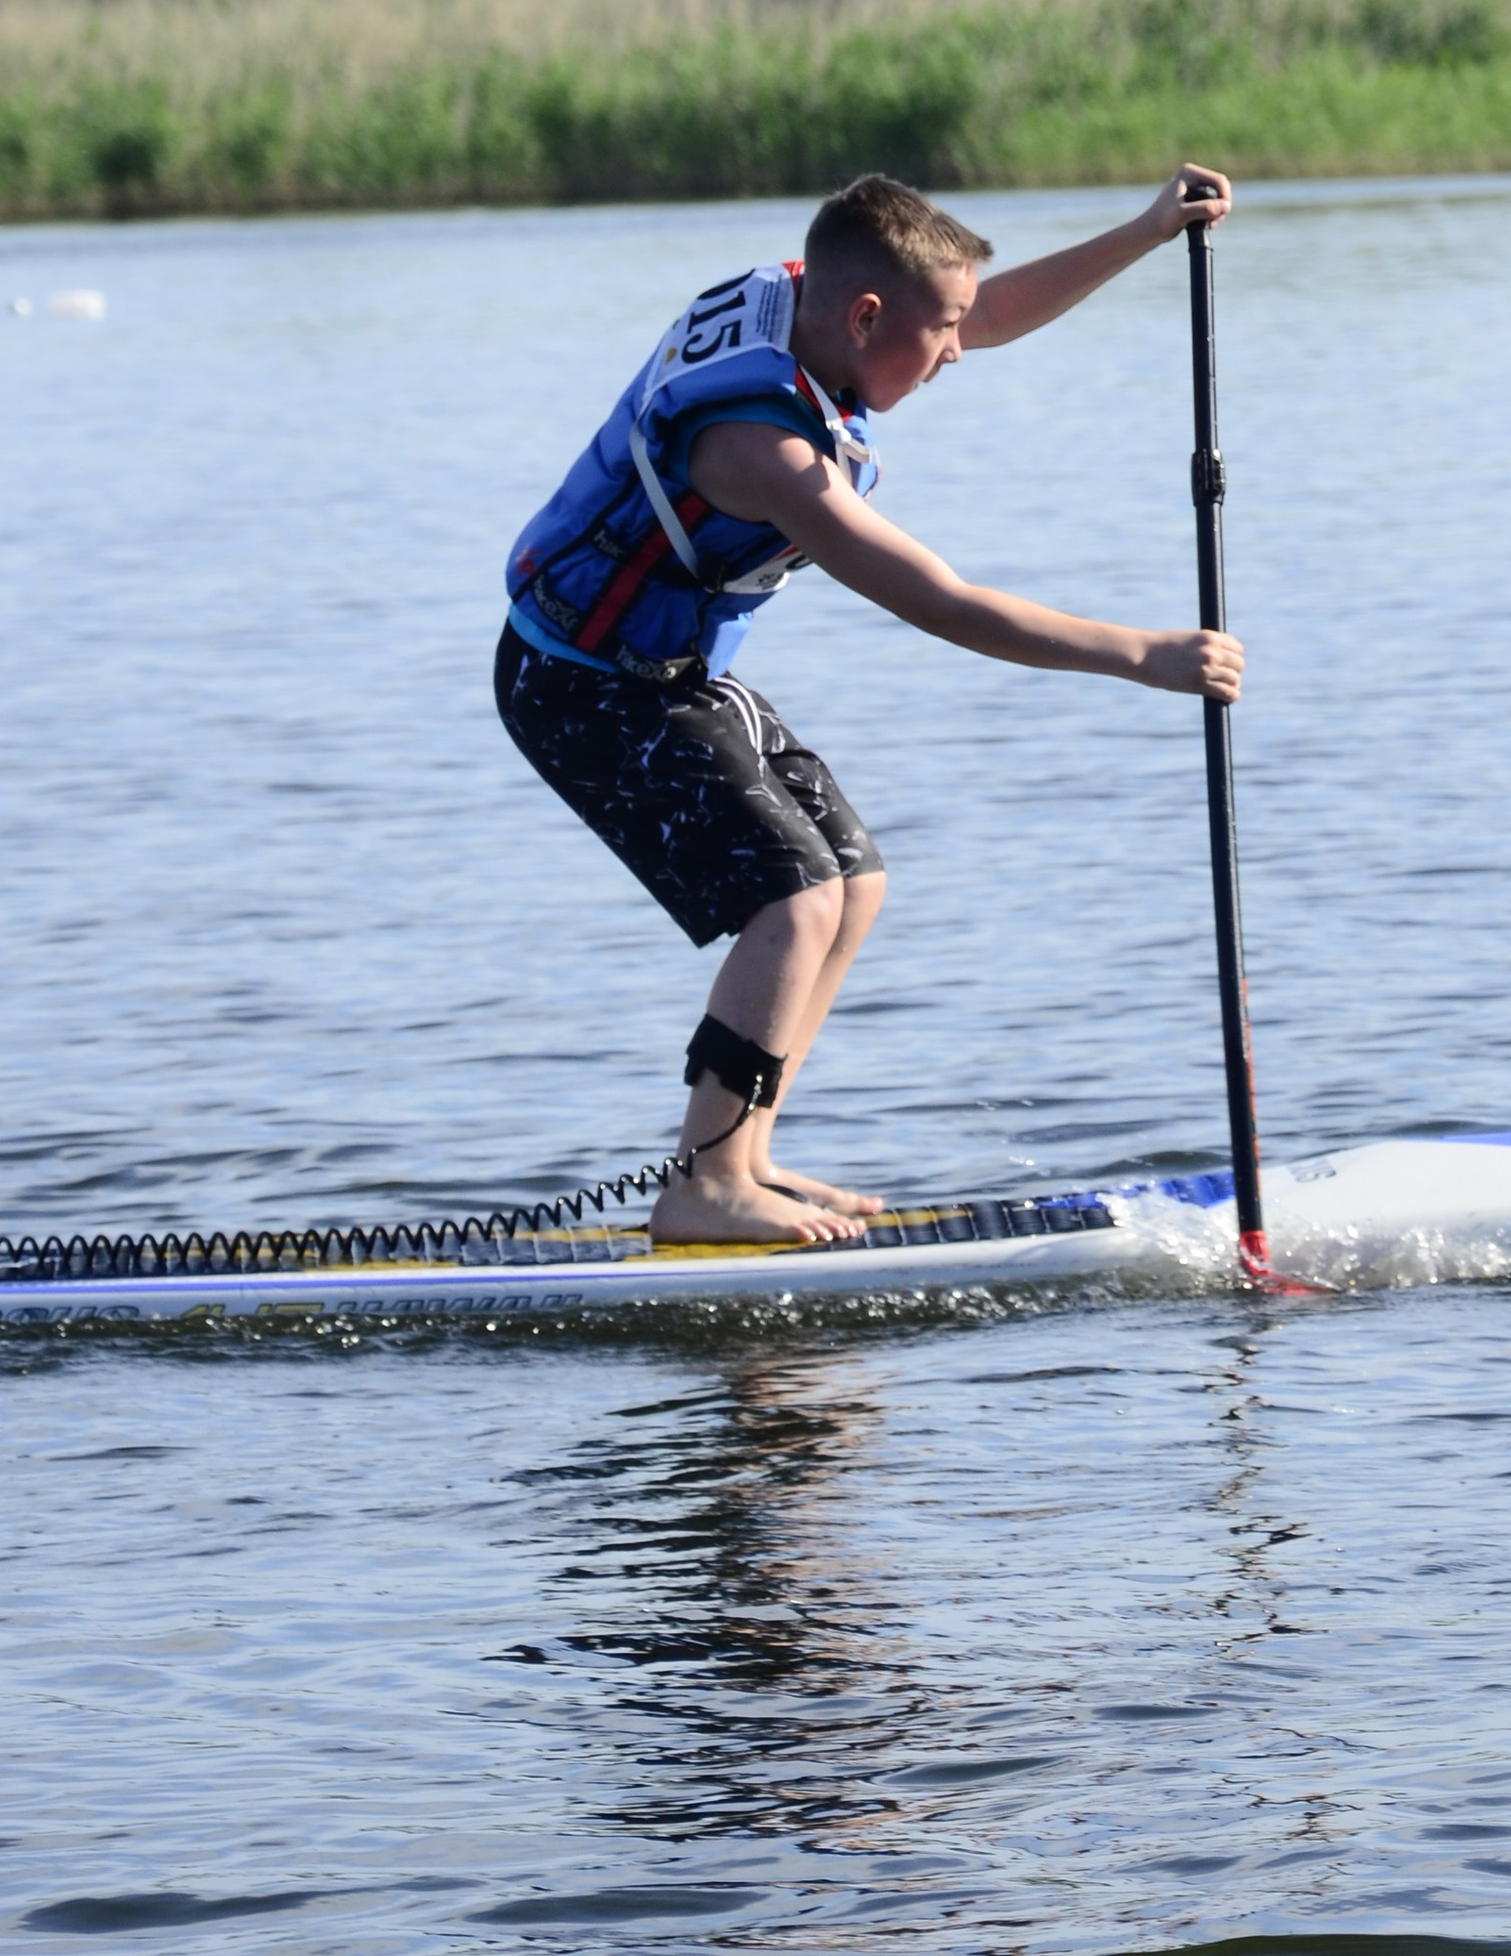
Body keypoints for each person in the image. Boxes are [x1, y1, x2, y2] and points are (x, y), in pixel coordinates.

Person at [496, 168, 1243, 1247]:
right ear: (865, 317)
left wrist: (1146, 230)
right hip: (575, 683)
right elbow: (941, 601)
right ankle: (707, 1185)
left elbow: (980, 307)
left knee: (853, 880)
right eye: (939, 333)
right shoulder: (764, 451)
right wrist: (1143, 654)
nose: (957, 351)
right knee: (792, 898)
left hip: (664, 669)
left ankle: (741, 1152)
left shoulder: (814, 304)